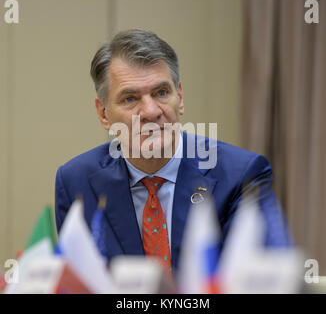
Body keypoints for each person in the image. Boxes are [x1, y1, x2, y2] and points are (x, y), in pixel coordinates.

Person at [55, 29, 291, 275]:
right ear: (103, 113)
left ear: (179, 97)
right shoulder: (76, 181)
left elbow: (261, 283)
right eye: (130, 99)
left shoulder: (241, 176)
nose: (150, 111)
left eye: (161, 93)